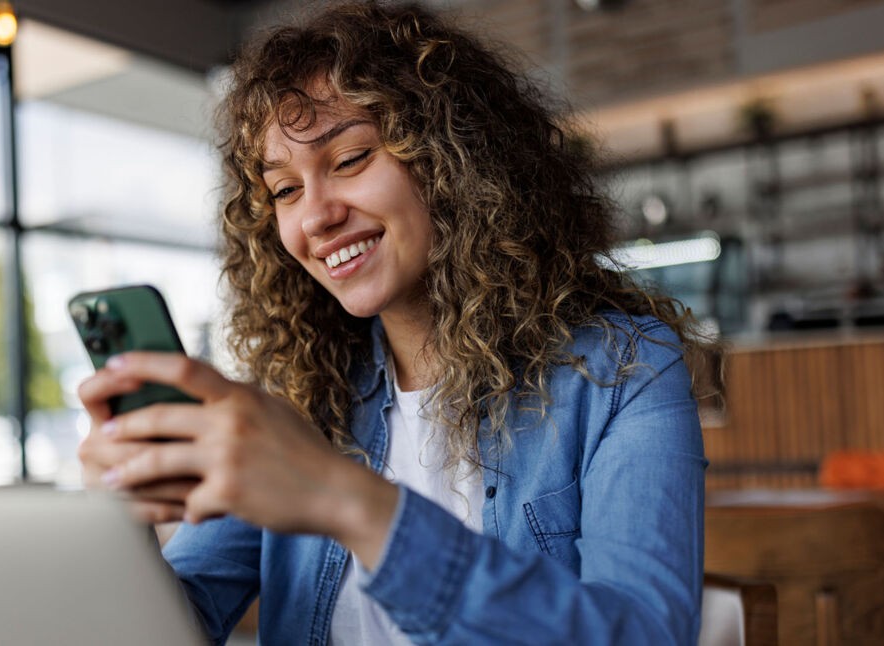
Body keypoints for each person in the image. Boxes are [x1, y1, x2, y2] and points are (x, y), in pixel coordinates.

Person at [78, 2, 710, 643]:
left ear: (457, 163)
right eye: (285, 190)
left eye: (350, 159)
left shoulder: (623, 371)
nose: (316, 216)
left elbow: (646, 634)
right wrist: (115, 525)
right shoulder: (298, 401)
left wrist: (348, 501)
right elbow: (175, 629)